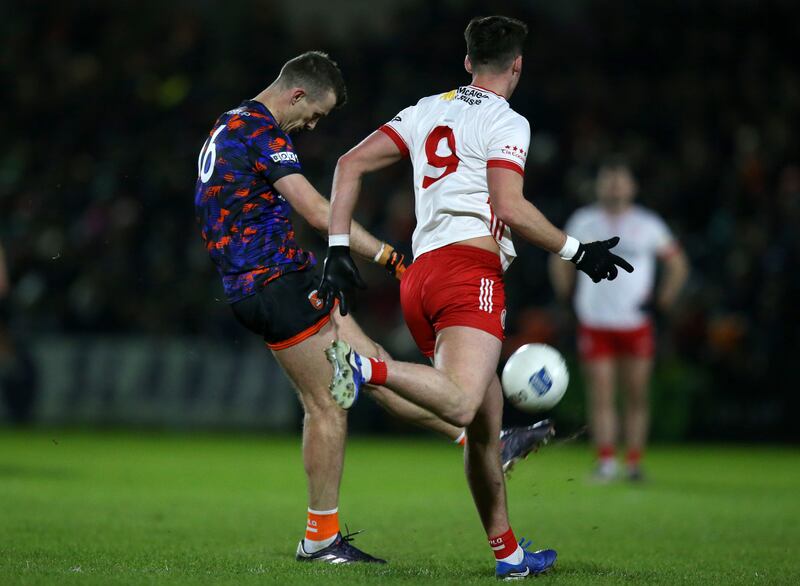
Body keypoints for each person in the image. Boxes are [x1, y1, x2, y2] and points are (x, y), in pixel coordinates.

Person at [193, 51, 553, 565]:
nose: (313, 124)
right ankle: (320, 538)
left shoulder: (227, 123)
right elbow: (319, 210)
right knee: (329, 402)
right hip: (274, 282)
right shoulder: (262, 132)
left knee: (376, 369)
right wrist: (386, 255)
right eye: (315, 113)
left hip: (272, 278)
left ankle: (485, 436)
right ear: (296, 94)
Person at [319, 17, 633, 579]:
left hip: (421, 277)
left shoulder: (424, 110)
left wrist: (339, 246)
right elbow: (508, 207)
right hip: (469, 270)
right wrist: (576, 250)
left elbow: (348, 164)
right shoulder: (506, 120)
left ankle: (508, 556)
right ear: (517, 64)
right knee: (464, 405)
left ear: (467, 62)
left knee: (485, 429)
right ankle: (361, 366)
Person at [549, 159, 689, 481]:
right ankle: (607, 461)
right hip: (595, 320)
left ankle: (635, 463)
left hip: (635, 322)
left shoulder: (648, 223)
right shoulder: (585, 221)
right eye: (608, 179)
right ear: (598, 185)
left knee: (636, 393)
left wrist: (662, 302)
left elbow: (678, 263)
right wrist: (566, 294)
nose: (614, 186)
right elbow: (558, 259)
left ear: (632, 186)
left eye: (619, 179)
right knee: (601, 393)